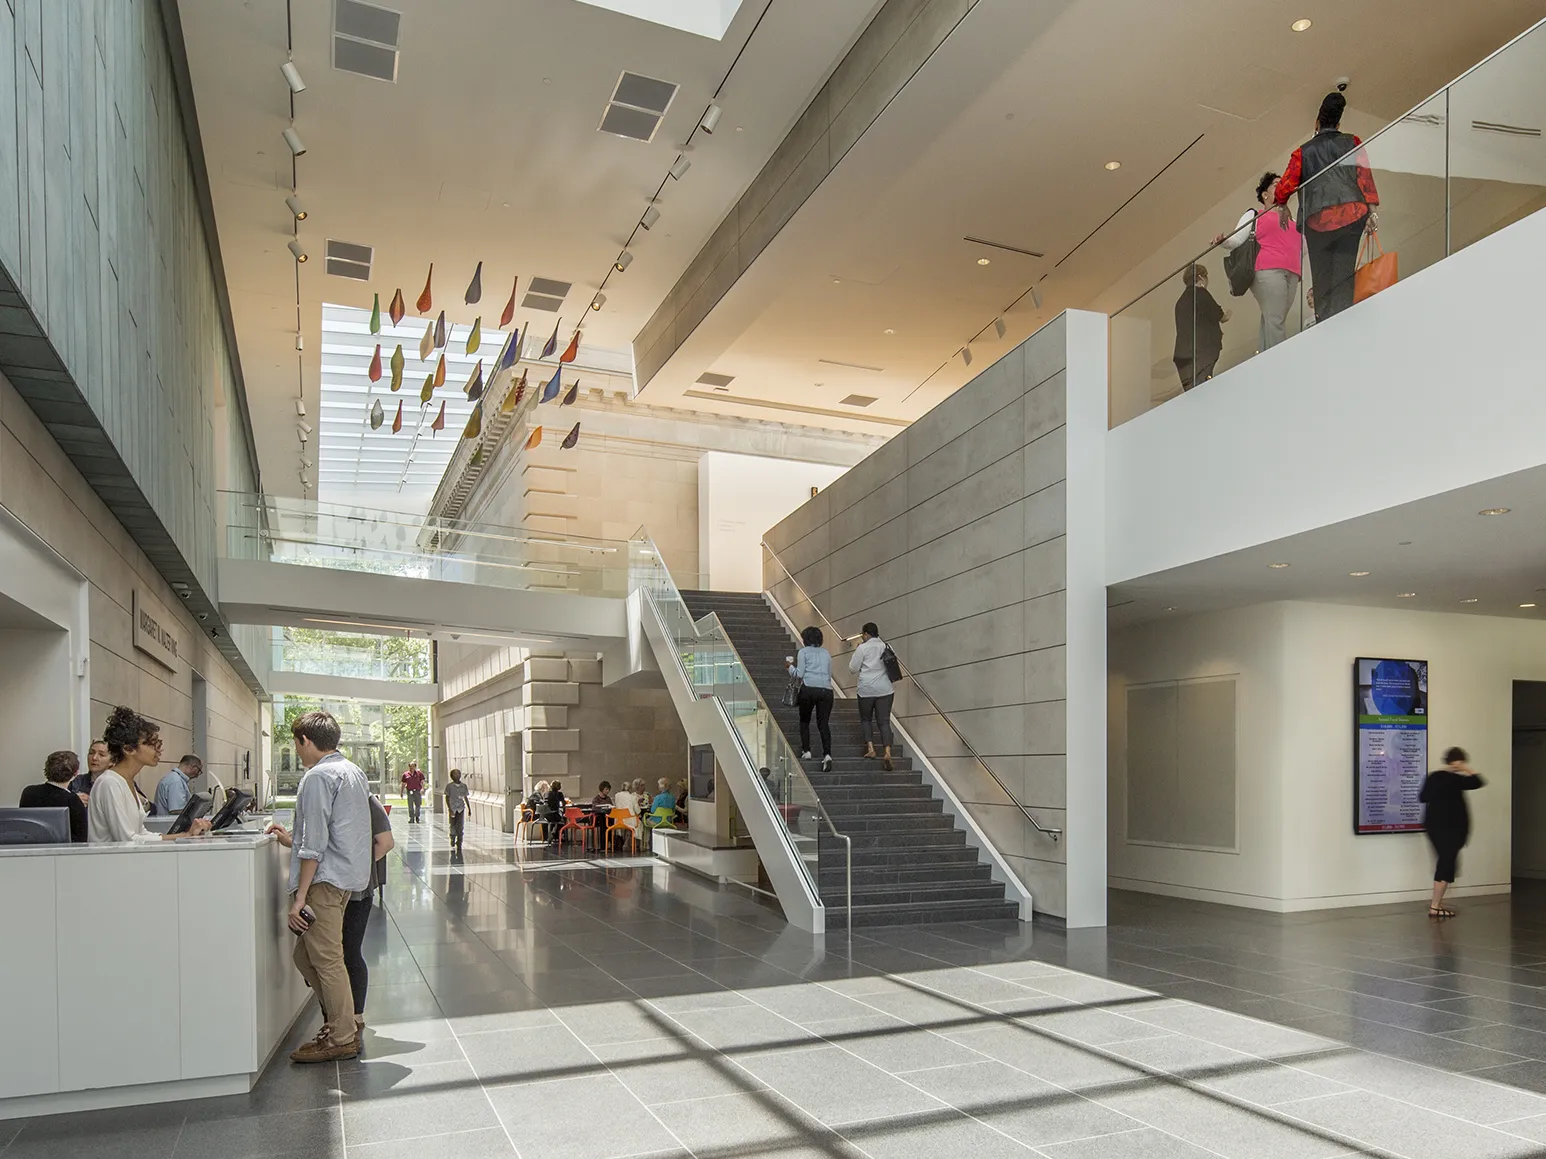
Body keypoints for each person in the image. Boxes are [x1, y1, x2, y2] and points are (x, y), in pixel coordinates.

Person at [264, 710, 372, 1064]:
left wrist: (300, 898)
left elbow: (315, 843)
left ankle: (342, 1035)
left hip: (324, 882)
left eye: (297, 745)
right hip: (344, 880)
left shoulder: (317, 777)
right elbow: (336, 831)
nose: (298, 753)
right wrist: (289, 841)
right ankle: (339, 1022)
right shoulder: (353, 772)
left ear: (305, 741)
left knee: (327, 960)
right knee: (306, 955)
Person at [269, 791, 393, 1037]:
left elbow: (386, 842)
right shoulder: (331, 801)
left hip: (355, 892)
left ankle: (352, 1016)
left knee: (348, 952)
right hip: (334, 888)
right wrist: (289, 841)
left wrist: (355, 870)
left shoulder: (366, 801)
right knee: (311, 956)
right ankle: (339, 1015)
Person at [1274, 90, 1379, 323]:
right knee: (1344, 274)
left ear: (1317, 123)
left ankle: (1326, 324)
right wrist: (1372, 211)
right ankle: (1344, 322)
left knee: (1322, 276)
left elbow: (1285, 184)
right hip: (1352, 214)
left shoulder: (1303, 152)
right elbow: (1364, 176)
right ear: (1339, 122)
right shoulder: (1352, 142)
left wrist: (1282, 204)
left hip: (1317, 219)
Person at [90, 707, 211, 843]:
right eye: (153, 744)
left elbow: (141, 833)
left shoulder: (127, 782)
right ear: (128, 749)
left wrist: (186, 835)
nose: (159, 750)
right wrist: (183, 836)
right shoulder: (109, 783)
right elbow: (127, 839)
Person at [1215, 172, 1303, 351]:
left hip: (1293, 272)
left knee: (1273, 317)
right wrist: (1224, 242)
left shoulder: (1292, 220)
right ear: (1265, 194)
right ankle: (1280, 361)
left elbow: (1302, 247)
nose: (1282, 186)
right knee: (1275, 318)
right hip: (1268, 269)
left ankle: (1264, 356)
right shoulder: (1255, 214)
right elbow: (1238, 238)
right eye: (1276, 184)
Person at [1419, 746, 1485, 919]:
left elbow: (1423, 797)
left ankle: (1437, 903)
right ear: (1459, 761)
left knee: (1446, 863)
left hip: (1434, 826)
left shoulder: (1434, 777)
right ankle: (1435, 906)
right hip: (1451, 829)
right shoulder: (1456, 780)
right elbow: (1478, 781)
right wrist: (1465, 769)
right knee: (1446, 864)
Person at [1172, 264, 1228, 390]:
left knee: (1193, 391)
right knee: (1204, 387)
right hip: (1202, 350)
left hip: (1183, 354)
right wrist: (1228, 314)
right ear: (1200, 277)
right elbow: (1220, 316)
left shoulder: (1180, 302)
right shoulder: (1201, 294)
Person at [850, 621, 896, 771]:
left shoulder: (862, 648)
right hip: (885, 690)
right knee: (884, 721)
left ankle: (871, 749)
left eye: (863, 634)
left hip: (866, 690)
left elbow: (853, 668)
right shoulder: (886, 646)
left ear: (866, 634)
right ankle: (887, 752)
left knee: (866, 719)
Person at [788, 626, 835, 771]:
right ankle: (827, 754)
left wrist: (789, 666)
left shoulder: (803, 652)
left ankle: (806, 751)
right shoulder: (826, 653)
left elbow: (799, 674)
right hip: (826, 690)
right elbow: (829, 673)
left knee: (805, 720)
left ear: (805, 638)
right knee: (823, 724)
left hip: (808, 688)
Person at [20, 751, 89, 843]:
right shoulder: (73, 800)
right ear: (75, 773)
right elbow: (81, 839)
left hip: (30, 850)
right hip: (62, 853)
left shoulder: (29, 792)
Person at [445, 768, 470, 855]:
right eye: (455, 774)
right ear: (452, 776)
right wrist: (449, 808)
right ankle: (452, 837)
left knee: (460, 825)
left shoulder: (464, 786)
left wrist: (469, 808)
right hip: (453, 808)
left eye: (458, 774)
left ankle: (459, 841)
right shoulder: (449, 786)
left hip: (461, 808)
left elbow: (465, 797)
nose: (457, 776)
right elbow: (447, 797)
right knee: (452, 824)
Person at [544, 779, 567, 848]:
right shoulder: (559, 794)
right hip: (554, 814)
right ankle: (558, 835)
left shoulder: (546, 793)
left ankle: (550, 834)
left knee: (555, 820)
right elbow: (563, 804)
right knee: (562, 820)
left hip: (545, 815)